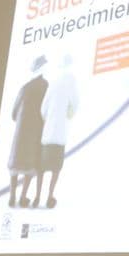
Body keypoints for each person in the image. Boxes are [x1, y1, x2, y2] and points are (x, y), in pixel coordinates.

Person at [36, 53, 79, 209]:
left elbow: (43, 108)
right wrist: (69, 114)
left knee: (42, 167)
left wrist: (48, 121)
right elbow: (75, 103)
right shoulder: (71, 80)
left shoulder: (53, 81)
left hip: (48, 134)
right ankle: (49, 196)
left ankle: (37, 197)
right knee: (55, 168)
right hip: (60, 134)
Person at [8, 54, 49, 208]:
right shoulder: (45, 86)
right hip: (35, 133)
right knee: (29, 167)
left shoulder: (24, 88)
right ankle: (22, 197)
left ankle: (12, 196)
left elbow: (13, 114)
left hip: (20, 134)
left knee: (15, 166)